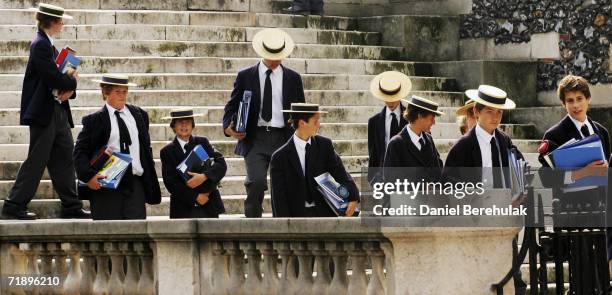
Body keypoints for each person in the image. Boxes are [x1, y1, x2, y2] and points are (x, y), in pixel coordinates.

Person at [1, 3, 89, 220]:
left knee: (64, 156)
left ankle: (71, 205)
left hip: (57, 109)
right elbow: (51, 77)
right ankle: (14, 204)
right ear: (52, 22)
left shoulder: (50, 46)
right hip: (44, 112)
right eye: (60, 20)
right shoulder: (40, 45)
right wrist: (73, 82)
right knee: (37, 159)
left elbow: (57, 79)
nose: (62, 24)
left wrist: (69, 89)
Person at [222, 28, 305, 218]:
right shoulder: (245, 76)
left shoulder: (293, 78)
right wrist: (228, 128)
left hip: (284, 137)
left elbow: (301, 109)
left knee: (284, 186)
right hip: (255, 137)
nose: (276, 60)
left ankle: (283, 228)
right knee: (256, 183)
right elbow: (232, 105)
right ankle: (253, 225)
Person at [537, 75, 610, 272]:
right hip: (573, 213)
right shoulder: (554, 135)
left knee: (601, 274)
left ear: (588, 99)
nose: (576, 105)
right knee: (581, 274)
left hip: (601, 210)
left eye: (579, 99)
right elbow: (546, 178)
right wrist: (584, 172)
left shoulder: (601, 131)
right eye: (570, 100)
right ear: (563, 104)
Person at [73, 74, 161, 220]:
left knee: (137, 234)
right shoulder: (94, 120)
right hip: (107, 183)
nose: (122, 96)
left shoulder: (139, 115)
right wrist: (89, 176)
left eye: (124, 92)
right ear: (106, 93)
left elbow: (145, 148)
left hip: (135, 183)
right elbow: (80, 152)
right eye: (117, 92)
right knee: (107, 233)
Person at [270, 103, 359, 217]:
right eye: (315, 121)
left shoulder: (325, 145)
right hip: (295, 216)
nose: (319, 124)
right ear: (302, 123)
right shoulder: (279, 157)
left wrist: (353, 197)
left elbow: (340, 173)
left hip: (324, 212)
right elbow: (279, 198)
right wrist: (285, 228)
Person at [444, 85, 521, 188]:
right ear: (476, 111)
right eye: (489, 112)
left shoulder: (505, 141)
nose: (495, 117)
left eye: (499, 112)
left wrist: (517, 193)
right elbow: (448, 183)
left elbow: (520, 169)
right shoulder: (463, 146)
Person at [160, 109, 227, 219]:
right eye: (180, 122)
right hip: (182, 208)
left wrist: (204, 176)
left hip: (208, 202)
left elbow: (221, 164)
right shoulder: (167, 151)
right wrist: (195, 196)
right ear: (173, 126)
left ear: (193, 125)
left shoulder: (203, 142)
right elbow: (171, 183)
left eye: (187, 122)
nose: (184, 125)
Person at [383, 95, 444, 181]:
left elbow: (438, 172)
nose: (434, 122)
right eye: (432, 118)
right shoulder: (396, 144)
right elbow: (391, 181)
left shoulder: (429, 140)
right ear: (420, 116)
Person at [367, 71, 410, 184]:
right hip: (383, 178)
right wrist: (373, 179)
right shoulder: (374, 122)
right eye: (386, 97)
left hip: (407, 178)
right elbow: (373, 153)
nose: (390, 101)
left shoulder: (412, 118)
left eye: (393, 97)